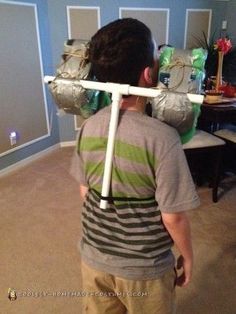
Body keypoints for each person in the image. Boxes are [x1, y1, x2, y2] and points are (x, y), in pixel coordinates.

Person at [71, 18, 200, 314]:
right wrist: (188, 256)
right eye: (156, 55)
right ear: (147, 73)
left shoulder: (88, 127)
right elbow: (173, 217)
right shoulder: (164, 138)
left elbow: (84, 191)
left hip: (93, 258)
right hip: (145, 270)